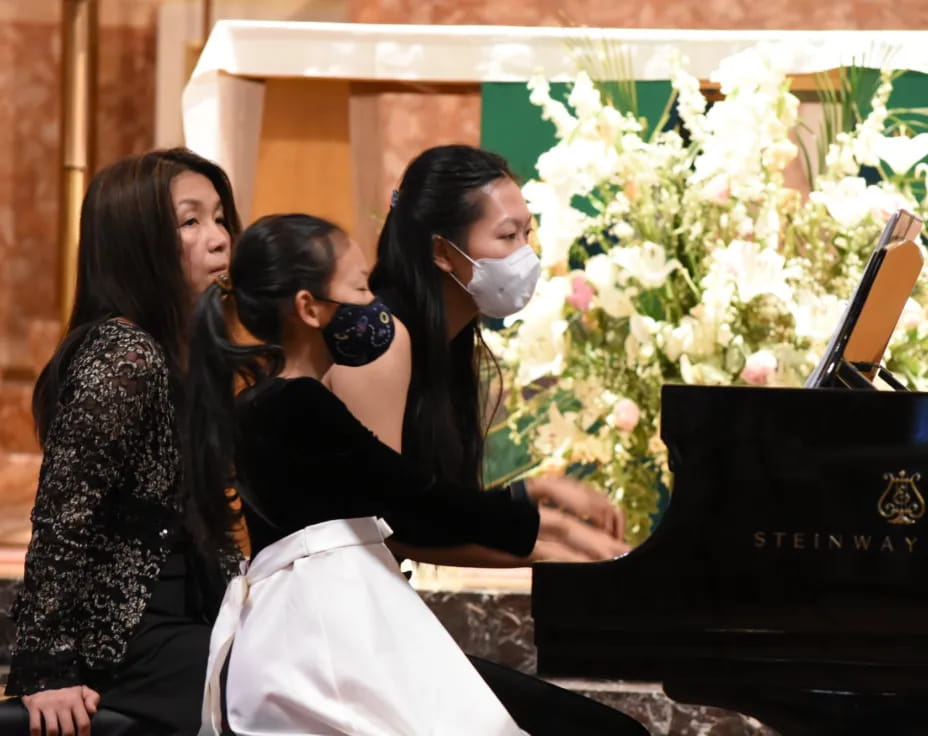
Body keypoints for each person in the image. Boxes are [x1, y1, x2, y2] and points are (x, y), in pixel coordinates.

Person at [326, 144, 647, 735]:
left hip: (379, 618)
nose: (525, 255)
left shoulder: (447, 341)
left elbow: (435, 500)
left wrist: (539, 499)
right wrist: (548, 536)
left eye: (528, 233)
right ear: (441, 253)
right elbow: (390, 522)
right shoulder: (379, 338)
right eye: (506, 237)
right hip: (335, 637)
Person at [187, 213, 540, 734]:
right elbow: (410, 492)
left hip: (314, 624)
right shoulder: (297, 402)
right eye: (359, 288)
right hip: (324, 635)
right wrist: (532, 513)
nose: (374, 307)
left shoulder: (271, 402)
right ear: (309, 308)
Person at [1, 148, 242, 736]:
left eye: (219, 217)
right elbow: (64, 515)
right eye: (190, 222)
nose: (218, 239)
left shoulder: (187, 350)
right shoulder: (123, 353)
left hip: (185, 615)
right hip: (127, 638)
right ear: (138, 243)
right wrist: (45, 667)